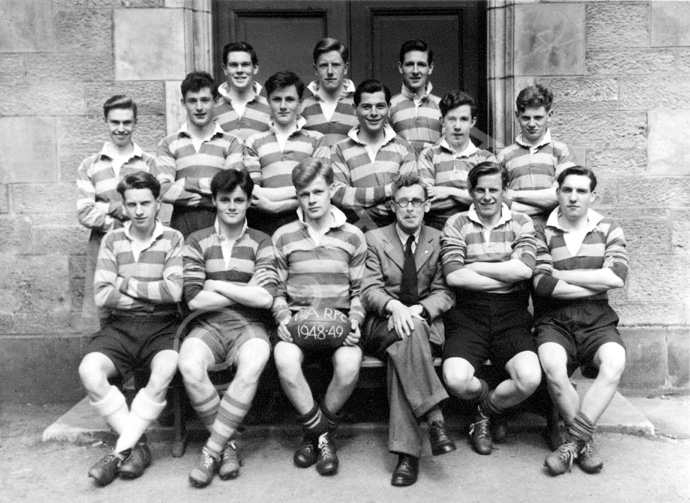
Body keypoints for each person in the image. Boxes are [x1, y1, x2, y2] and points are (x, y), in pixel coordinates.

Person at [78, 172, 184, 486]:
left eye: (145, 203)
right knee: (89, 371)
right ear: (124, 205)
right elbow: (101, 295)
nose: (139, 211)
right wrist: (149, 296)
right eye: (132, 204)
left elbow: (174, 293)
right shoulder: (112, 240)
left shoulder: (173, 239)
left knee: (166, 368)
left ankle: (118, 453)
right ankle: (135, 446)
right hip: (121, 328)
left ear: (158, 203)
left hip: (162, 327)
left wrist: (124, 285)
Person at [178, 169, 276, 488]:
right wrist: (243, 287)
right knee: (189, 364)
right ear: (214, 202)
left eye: (239, 200)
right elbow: (193, 299)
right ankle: (229, 444)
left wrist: (216, 282)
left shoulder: (262, 241)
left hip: (248, 325)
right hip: (206, 324)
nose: (232, 206)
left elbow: (264, 298)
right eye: (225, 200)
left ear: (249, 202)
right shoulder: (197, 240)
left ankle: (211, 451)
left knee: (255, 360)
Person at [272, 158, 367, 477]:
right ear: (297, 197)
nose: (311, 200)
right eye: (304, 194)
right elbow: (276, 290)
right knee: (284, 360)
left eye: (317, 192)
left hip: (338, 322)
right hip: (298, 323)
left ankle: (313, 435)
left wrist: (355, 321)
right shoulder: (284, 235)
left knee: (349, 365)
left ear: (330, 191)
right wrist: (284, 318)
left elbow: (360, 290)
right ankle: (323, 435)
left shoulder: (353, 235)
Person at [361, 173, 456, 487]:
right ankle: (435, 418)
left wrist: (419, 309)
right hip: (382, 324)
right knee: (406, 336)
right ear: (393, 205)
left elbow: (446, 291)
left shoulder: (439, 239)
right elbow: (370, 289)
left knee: (406, 344)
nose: (410, 208)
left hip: (425, 324)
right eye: (403, 202)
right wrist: (394, 307)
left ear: (427, 205)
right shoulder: (375, 239)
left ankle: (407, 457)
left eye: (416, 201)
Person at [441, 161, 542, 455]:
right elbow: (453, 276)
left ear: (505, 191)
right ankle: (487, 399)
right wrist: (502, 275)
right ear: (471, 191)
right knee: (456, 380)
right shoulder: (457, 223)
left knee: (529, 378)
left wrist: (475, 267)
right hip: (467, 316)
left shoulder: (522, 222)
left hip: (511, 316)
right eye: (480, 190)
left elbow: (524, 270)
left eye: (494, 190)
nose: (487, 197)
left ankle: (485, 411)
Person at [533, 166, 628, 476]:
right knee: (553, 367)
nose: (573, 197)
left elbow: (617, 277)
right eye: (567, 190)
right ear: (557, 193)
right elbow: (542, 285)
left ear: (592, 196)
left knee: (614, 362)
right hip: (554, 319)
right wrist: (594, 279)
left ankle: (574, 442)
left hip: (597, 318)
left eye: (581, 191)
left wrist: (563, 273)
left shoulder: (609, 228)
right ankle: (584, 443)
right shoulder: (540, 230)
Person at [77, 95, 155, 326]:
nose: (121, 129)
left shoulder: (148, 163)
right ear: (105, 121)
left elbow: (152, 210)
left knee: (137, 308)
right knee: (103, 312)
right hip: (101, 246)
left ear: (135, 122)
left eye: (127, 122)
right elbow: (85, 212)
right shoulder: (90, 165)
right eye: (115, 122)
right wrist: (124, 219)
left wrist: (108, 207)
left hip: (139, 248)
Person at [155, 71, 244, 238]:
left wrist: (186, 182)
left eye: (205, 100)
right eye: (192, 101)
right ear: (183, 103)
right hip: (183, 226)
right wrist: (211, 200)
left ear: (216, 101)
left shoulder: (232, 142)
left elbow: (231, 187)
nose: (199, 108)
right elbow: (163, 190)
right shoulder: (168, 143)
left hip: (223, 226)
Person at [244, 71, 330, 236]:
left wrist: (275, 207)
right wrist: (301, 189)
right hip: (264, 223)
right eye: (277, 99)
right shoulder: (254, 141)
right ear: (268, 102)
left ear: (300, 102)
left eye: (289, 99)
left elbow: (321, 189)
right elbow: (254, 191)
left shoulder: (317, 140)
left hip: (307, 223)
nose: (283, 106)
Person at [331, 79, 417, 231]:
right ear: (354, 108)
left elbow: (406, 198)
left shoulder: (404, 148)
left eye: (380, 106)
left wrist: (362, 212)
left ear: (389, 108)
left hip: (396, 235)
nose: (374, 113)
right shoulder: (339, 149)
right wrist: (389, 190)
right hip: (354, 235)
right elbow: (340, 196)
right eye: (366, 107)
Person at [496, 84, 577, 230]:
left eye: (538, 118)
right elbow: (498, 200)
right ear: (517, 116)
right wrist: (547, 204)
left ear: (549, 115)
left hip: (553, 232)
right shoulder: (504, 155)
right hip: (514, 231)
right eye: (526, 118)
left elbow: (561, 196)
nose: (532, 124)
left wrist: (514, 195)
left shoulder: (562, 151)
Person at [419, 90, 495, 230]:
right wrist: (472, 197)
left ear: (473, 122)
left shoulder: (485, 158)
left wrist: (449, 191)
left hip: (478, 229)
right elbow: (426, 203)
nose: (458, 126)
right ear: (442, 121)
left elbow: (493, 200)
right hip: (438, 229)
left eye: (464, 119)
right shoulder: (428, 155)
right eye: (452, 119)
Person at [301, 38, 358, 146]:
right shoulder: (302, 107)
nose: (330, 72)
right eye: (323, 65)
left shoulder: (360, 106)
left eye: (336, 65)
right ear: (315, 69)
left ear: (345, 68)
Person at [389, 39, 442, 154]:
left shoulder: (442, 106)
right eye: (409, 64)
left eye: (421, 65)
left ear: (430, 68)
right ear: (400, 67)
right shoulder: (389, 106)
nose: (415, 71)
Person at [214, 41, 271, 141]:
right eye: (233, 65)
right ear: (225, 69)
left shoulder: (271, 108)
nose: (239, 70)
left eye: (245, 64)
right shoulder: (211, 109)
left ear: (255, 68)